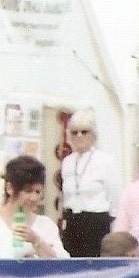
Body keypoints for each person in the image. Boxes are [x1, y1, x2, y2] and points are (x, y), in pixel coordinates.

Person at [57, 110, 120, 256]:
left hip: (96, 222)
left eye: (84, 132)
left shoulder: (105, 161)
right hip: (73, 222)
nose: (79, 136)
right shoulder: (67, 162)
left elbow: (115, 197)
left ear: (93, 134)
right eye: (74, 132)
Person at [0, 155, 69, 257]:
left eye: (38, 192)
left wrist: (37, 241)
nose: (33, 198)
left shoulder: (46, 225)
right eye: (28, 191)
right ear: (9, 188)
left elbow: (62, 265)